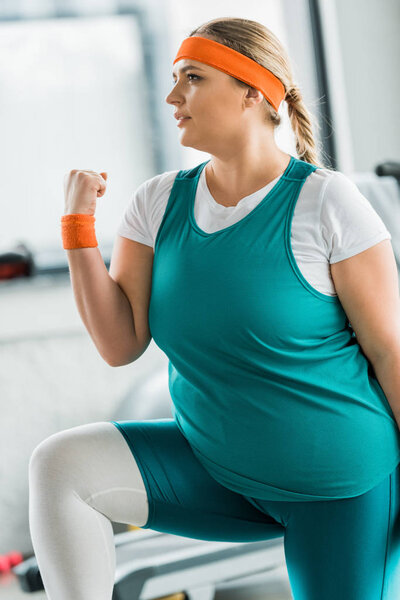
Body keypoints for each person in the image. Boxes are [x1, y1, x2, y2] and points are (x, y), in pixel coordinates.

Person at [29, 16, 400, 600]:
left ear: (253, 91)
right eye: (174, 79)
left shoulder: (327, 203)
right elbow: (120, 343)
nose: (173, 96)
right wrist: (78, 231)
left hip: (338, 485)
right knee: (62, 467)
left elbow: (389, 351)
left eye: (192, 78)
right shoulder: (157, 201)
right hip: (217, 469)